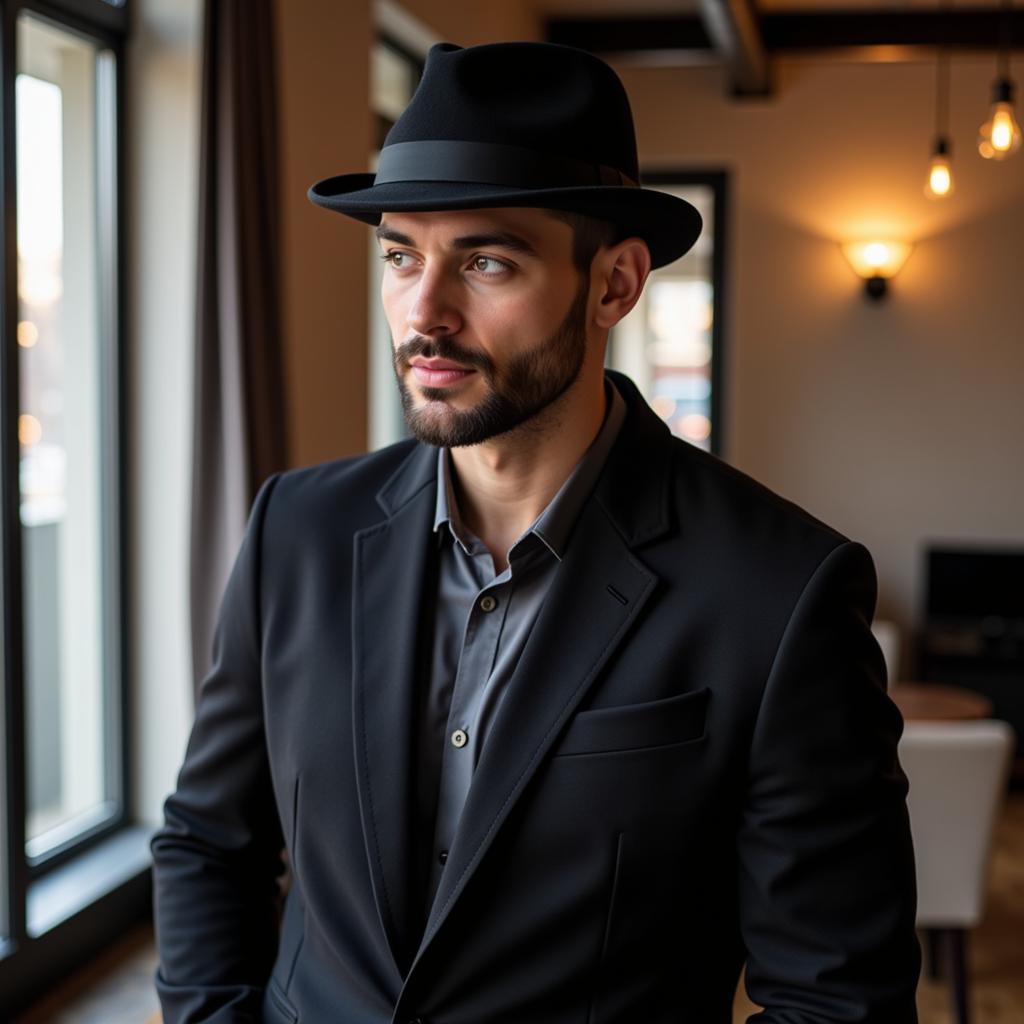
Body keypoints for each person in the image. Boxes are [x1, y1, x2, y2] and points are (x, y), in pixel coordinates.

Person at [151, 40, 921, 1024]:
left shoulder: (778, 593)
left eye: (484, 260)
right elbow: (209, 843)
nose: (423, 312)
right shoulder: (293, 531)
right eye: (399, 255)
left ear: (613, 285)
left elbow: (837, 1000)